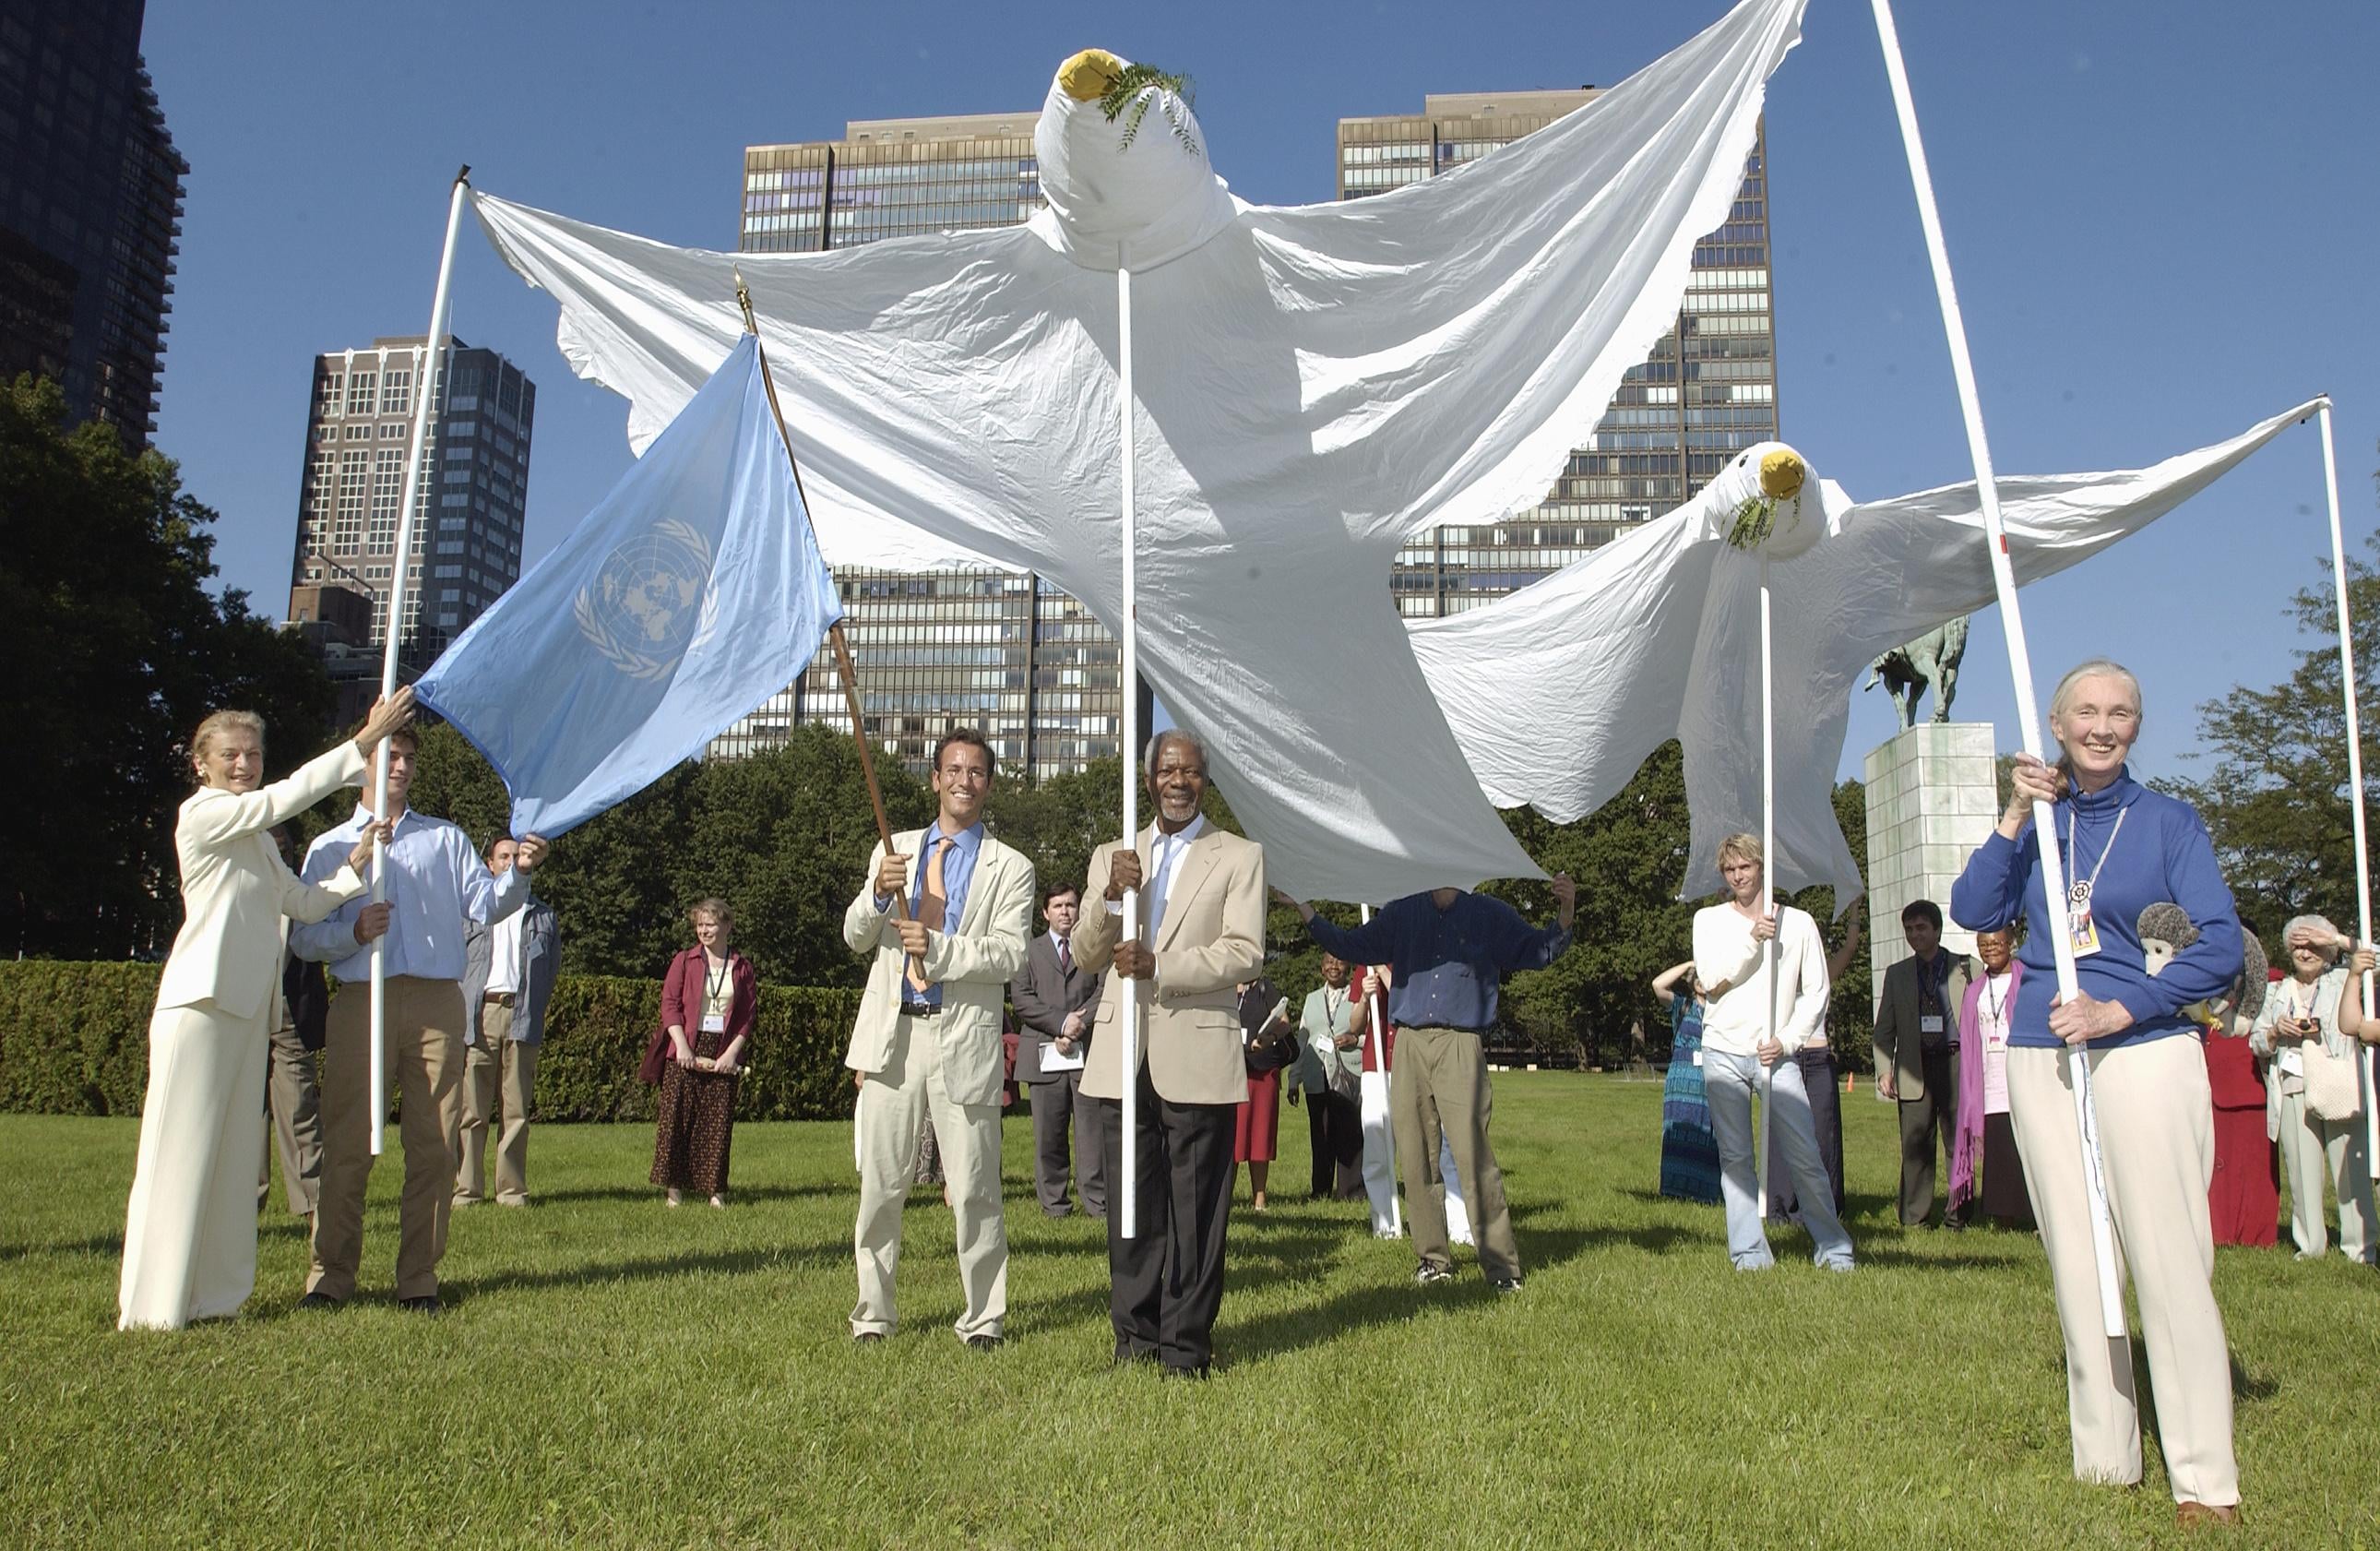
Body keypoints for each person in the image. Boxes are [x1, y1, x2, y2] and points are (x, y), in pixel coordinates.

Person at [1949, 658, 2243, 1525]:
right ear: (2057, 721)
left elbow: (2220, 945)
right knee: (2080, 1266)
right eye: (2087, 710)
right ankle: (2106, 1458)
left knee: (2168, 1259)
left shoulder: (2169, 824)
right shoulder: (2039, 821)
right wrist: (2012, 815)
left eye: (2120, 712)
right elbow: (1974, 907)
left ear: (2138, 727)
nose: (2102, 726)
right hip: (2043, 1052)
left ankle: (2203, 1476)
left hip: (2143, 1045)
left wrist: (2125, 1005)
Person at [118, 691, 411, 1330]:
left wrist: (356, 864)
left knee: (227, 1158)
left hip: (249, 1008)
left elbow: (303, 904)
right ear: (202, 764)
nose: (243, 763)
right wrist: (363, 743)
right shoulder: (204, 815)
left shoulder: (256, 840)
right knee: (179, 1149)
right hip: (197, 1003)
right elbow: (283, 798)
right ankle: (152, 1305)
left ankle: (216, 1295)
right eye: (230, 754)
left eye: (252, 753)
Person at [290, 726, 549, 1314]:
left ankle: (418, 1279)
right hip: (361, 999)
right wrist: (351, 933)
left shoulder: (445, 840)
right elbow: (304, 938)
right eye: (389, 756)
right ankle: (330, 1276)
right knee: (349, 1141)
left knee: (434, 1146)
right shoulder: (331, 847)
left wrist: (522, 872)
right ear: (363, 767)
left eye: (408, 757)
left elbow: (486, 905)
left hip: (436, 1002)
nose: (401, 766)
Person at [1281, 871, 1577, 1293]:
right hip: (1409, 1043)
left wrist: (1565, 912)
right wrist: (1306, 909)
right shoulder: (1403, 912)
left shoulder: (1487, 913)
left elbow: (1538, 951)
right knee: (1416, 1156)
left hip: (1461, 1042)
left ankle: (1501, 1267)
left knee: (1474, 1155)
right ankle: (1433, 1259)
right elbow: (1350, 945)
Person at [1075, 730, 1266, 1377]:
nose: (1177, 780)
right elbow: (1083, 952)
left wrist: (1164, 964)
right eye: (1166, 769)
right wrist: (1108, 898)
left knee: (1197, 1210)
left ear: (1204, 781)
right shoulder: (1116, 854)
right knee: (1130, 1209)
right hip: (1121, 1054)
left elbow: (1245, 950)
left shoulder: (1238, 855)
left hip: (1199, 1055)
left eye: (1190, 771)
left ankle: (1186, 1348)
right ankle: (1135, 1339)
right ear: (1149, 778)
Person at [843, 728, 1034, 1349]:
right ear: (934, 778)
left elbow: (1008, 955)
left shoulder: (1014, 867)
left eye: (976, 771)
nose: (963, 780)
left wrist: (943, 949)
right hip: (893, 1036)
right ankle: (874, 1311)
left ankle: (983, 1318)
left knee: (976, 1187)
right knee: (881, 1183)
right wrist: (877, 893)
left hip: (965, 1040)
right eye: (953, 768)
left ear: (988, 783)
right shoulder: (892, 848)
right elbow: (853, 935)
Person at [1691, 833, 1854, 1272]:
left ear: (1762, 868)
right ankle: (1748, 1252)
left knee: (1804, 1152)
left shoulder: (1799, 924)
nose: (1738, 875)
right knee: (1737, 1158)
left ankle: (1834, 1248)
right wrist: (1753, 939)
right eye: (1730, 869)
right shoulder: (1708, 920)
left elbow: (1816, 991)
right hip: (1723, 1048)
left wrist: (1789, 1039)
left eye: (1745, 867)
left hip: (1776, 1054)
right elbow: (1710, 979)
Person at [2254, 916, 2375, 1263]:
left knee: (2349, 1171)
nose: (2304, 952)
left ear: (2327, 950)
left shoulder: (2346, 979)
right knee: (2302, 1172)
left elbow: (2374, 955)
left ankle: (2360, 1249)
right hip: (2293, 1086)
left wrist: (2338, 937)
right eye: (2297, 945)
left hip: (2340, 1083)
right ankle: (2310, 1246)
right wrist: (2276, 1032)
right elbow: (2257, 1042)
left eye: (2312, 945)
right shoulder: (2276, 991)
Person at [455, 837, 559, 1209]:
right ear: (491, 864)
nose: (512, 860)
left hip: (522, 1014)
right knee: (472, 1109)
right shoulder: (473, 912)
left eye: (518, 855)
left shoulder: (544, 916)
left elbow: (550, 974)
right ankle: (466, 1190)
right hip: (480, 1015)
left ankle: (511, 1191)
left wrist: (533, 1011)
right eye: (504, 856)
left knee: (516, 1110)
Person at [1871, 899, 1975, 1229]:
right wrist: (1884, 1069)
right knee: (1915, 1142)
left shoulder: (1968, 967)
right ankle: (1914, 1216)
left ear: (1937, 930)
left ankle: (1959, 1215)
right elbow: (1884, 1029)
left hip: (1958, 1062)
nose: (1914, 935)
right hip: (1914, 1066)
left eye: (1921, 928)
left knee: (1959, 1143)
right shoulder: (1898, 974)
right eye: (1909, 929)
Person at [1008, 881, 1106, 1218]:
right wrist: (1061, 1024)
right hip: (1043, 1054)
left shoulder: (1093, 948)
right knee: (1048, 1136)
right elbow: (1022, 999)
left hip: (1088, 1054)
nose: (1065, 911)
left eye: (1071, 905)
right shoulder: (1027, 951)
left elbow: (1105, 990)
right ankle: (1055, 1205)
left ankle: (1096, 1203)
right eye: (1058, 906)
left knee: (1092, 1137)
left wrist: (1079, 1024)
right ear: (1046, 912)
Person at [651, 898, 756, 1208]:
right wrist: (681, 1045)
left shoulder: (741, 967)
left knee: (717, 1122)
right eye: (699, 924)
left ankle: (716, 1191)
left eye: (710, 924)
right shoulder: (684, 961)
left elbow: (748, 1015)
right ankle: (674, 1191)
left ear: (726, 926)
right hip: (685, 1046)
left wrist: (731, 1054)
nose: (704, 930)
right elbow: (669, 1004)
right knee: (676, 1120)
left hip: (722, 1050)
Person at [1766, 901, 1861, 1219]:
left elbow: (1848, 948)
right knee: (1779, 1136)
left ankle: (1826, 1207)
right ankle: (1780, 1207)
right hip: (1785, 1056)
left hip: (1818, 1058)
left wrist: (1854, 911)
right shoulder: (1772, 975)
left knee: (1823, 1135)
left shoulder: (1822, 976)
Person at [257, 827, 330, 1223]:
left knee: (300, 1105)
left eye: (284, 849)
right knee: (248, 1114)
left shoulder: (302, 893)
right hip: (247, 1011)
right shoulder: (241, 891)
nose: (279, 855)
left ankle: (310, 1199)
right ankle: (247, 1197)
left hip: (290, 1014)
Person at [1948, 926, 2033, 1230]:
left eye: (1997, 944)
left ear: (2011, 944)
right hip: (1990, 1080)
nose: (1991, 950)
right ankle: (2005, 1216)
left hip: (2025, 1076)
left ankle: (2038, 1216)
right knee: (2000, 1149)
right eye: (1984, 946)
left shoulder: (2028, 980)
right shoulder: (1975, 991)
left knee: (2030, 1147)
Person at [2203, 928, 2276, 1247]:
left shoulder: (2270, 986)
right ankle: (2220, 1231)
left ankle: (2258, 1234)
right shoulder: (2204, 987)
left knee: (2257, 1168)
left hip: (2251, 1082)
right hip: (2212, 1084)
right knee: (2217, 1166)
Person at [1292, 954, 1365, 1200]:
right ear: (1322, 968)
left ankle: (1351, 1191)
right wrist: (1294, 1080)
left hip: (1349, 1073)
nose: (1334, 966)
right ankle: (1320, 1190)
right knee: (1320, 1135)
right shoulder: (1312, 999)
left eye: (1340, 961)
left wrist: (1355, 1039)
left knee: (1350, 1133)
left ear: (1349, 967)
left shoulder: (1358, 997)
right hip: (1317, 1075)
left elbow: (1374, 1033)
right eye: (1329, 962)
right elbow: (1303, 1041)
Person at [1651, 960, 1720, 1204]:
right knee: (1679, 1130)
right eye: (1698, 977)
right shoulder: (1682, 1006)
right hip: (1681, 1082)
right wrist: (1692, 963)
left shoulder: (1720, 1011)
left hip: (1709, 1081)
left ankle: (1706, 1192)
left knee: (1707, 1132)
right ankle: (1675, 1189)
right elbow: (1657, 985)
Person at [1350, 964, 1401, 1236]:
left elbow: (1408, 999)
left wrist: (1383, 972)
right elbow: (1355, 1025)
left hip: (1409, 1062)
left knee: (1425, 1148)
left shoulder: (1418, 953)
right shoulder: (1365, 963)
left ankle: (1434, 1221)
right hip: (1374, 1068)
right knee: (1376, 1150)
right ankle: (1384, 1224)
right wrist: (1362, 998)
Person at [1233, 975, 1288, 1211]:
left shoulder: (1265, 988)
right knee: (1232, 1137)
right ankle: (1226, 1196)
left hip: (1262, 1070)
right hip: (1231, 1069)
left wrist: (1270, 1038)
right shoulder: (1223, 987)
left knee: (1260, 1134)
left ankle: (1259, 1197)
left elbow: (1284, 1022)